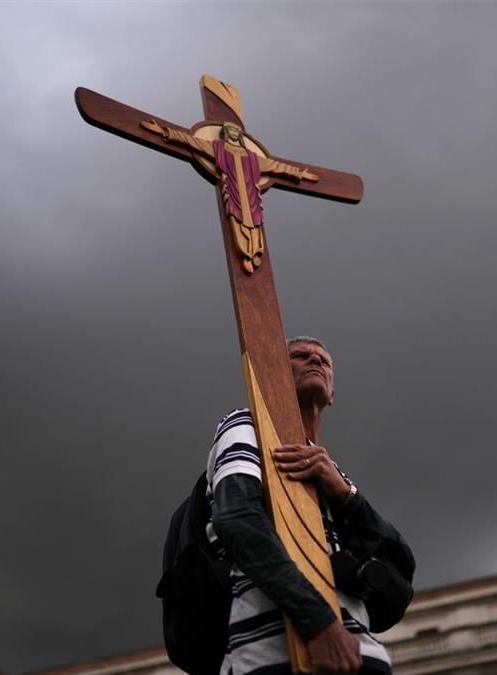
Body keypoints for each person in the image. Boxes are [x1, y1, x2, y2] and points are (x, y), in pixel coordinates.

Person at [207, 336, 412, 675]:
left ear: (332, 395)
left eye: (323, 360)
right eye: (300, 356)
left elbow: (401, 565)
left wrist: (347, 495)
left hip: (363, 657)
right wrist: (318, 623)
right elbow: (238, 519)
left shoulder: (331, 472)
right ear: (273, 375)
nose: (314, 360)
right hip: (278, 657)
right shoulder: (247, 423)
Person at [141, 119, 318, 274]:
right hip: (233, 191)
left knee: (255, 221)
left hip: (251, 194)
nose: (234, 132)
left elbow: (275, 166)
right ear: (225, 132)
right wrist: (165, 132)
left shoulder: (252, 157)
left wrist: (298, 173)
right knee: (237, 218)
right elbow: (193, 142)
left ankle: (256, 251)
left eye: (236, 130)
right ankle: (245, 253)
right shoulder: (217, 148)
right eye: (231, 130)